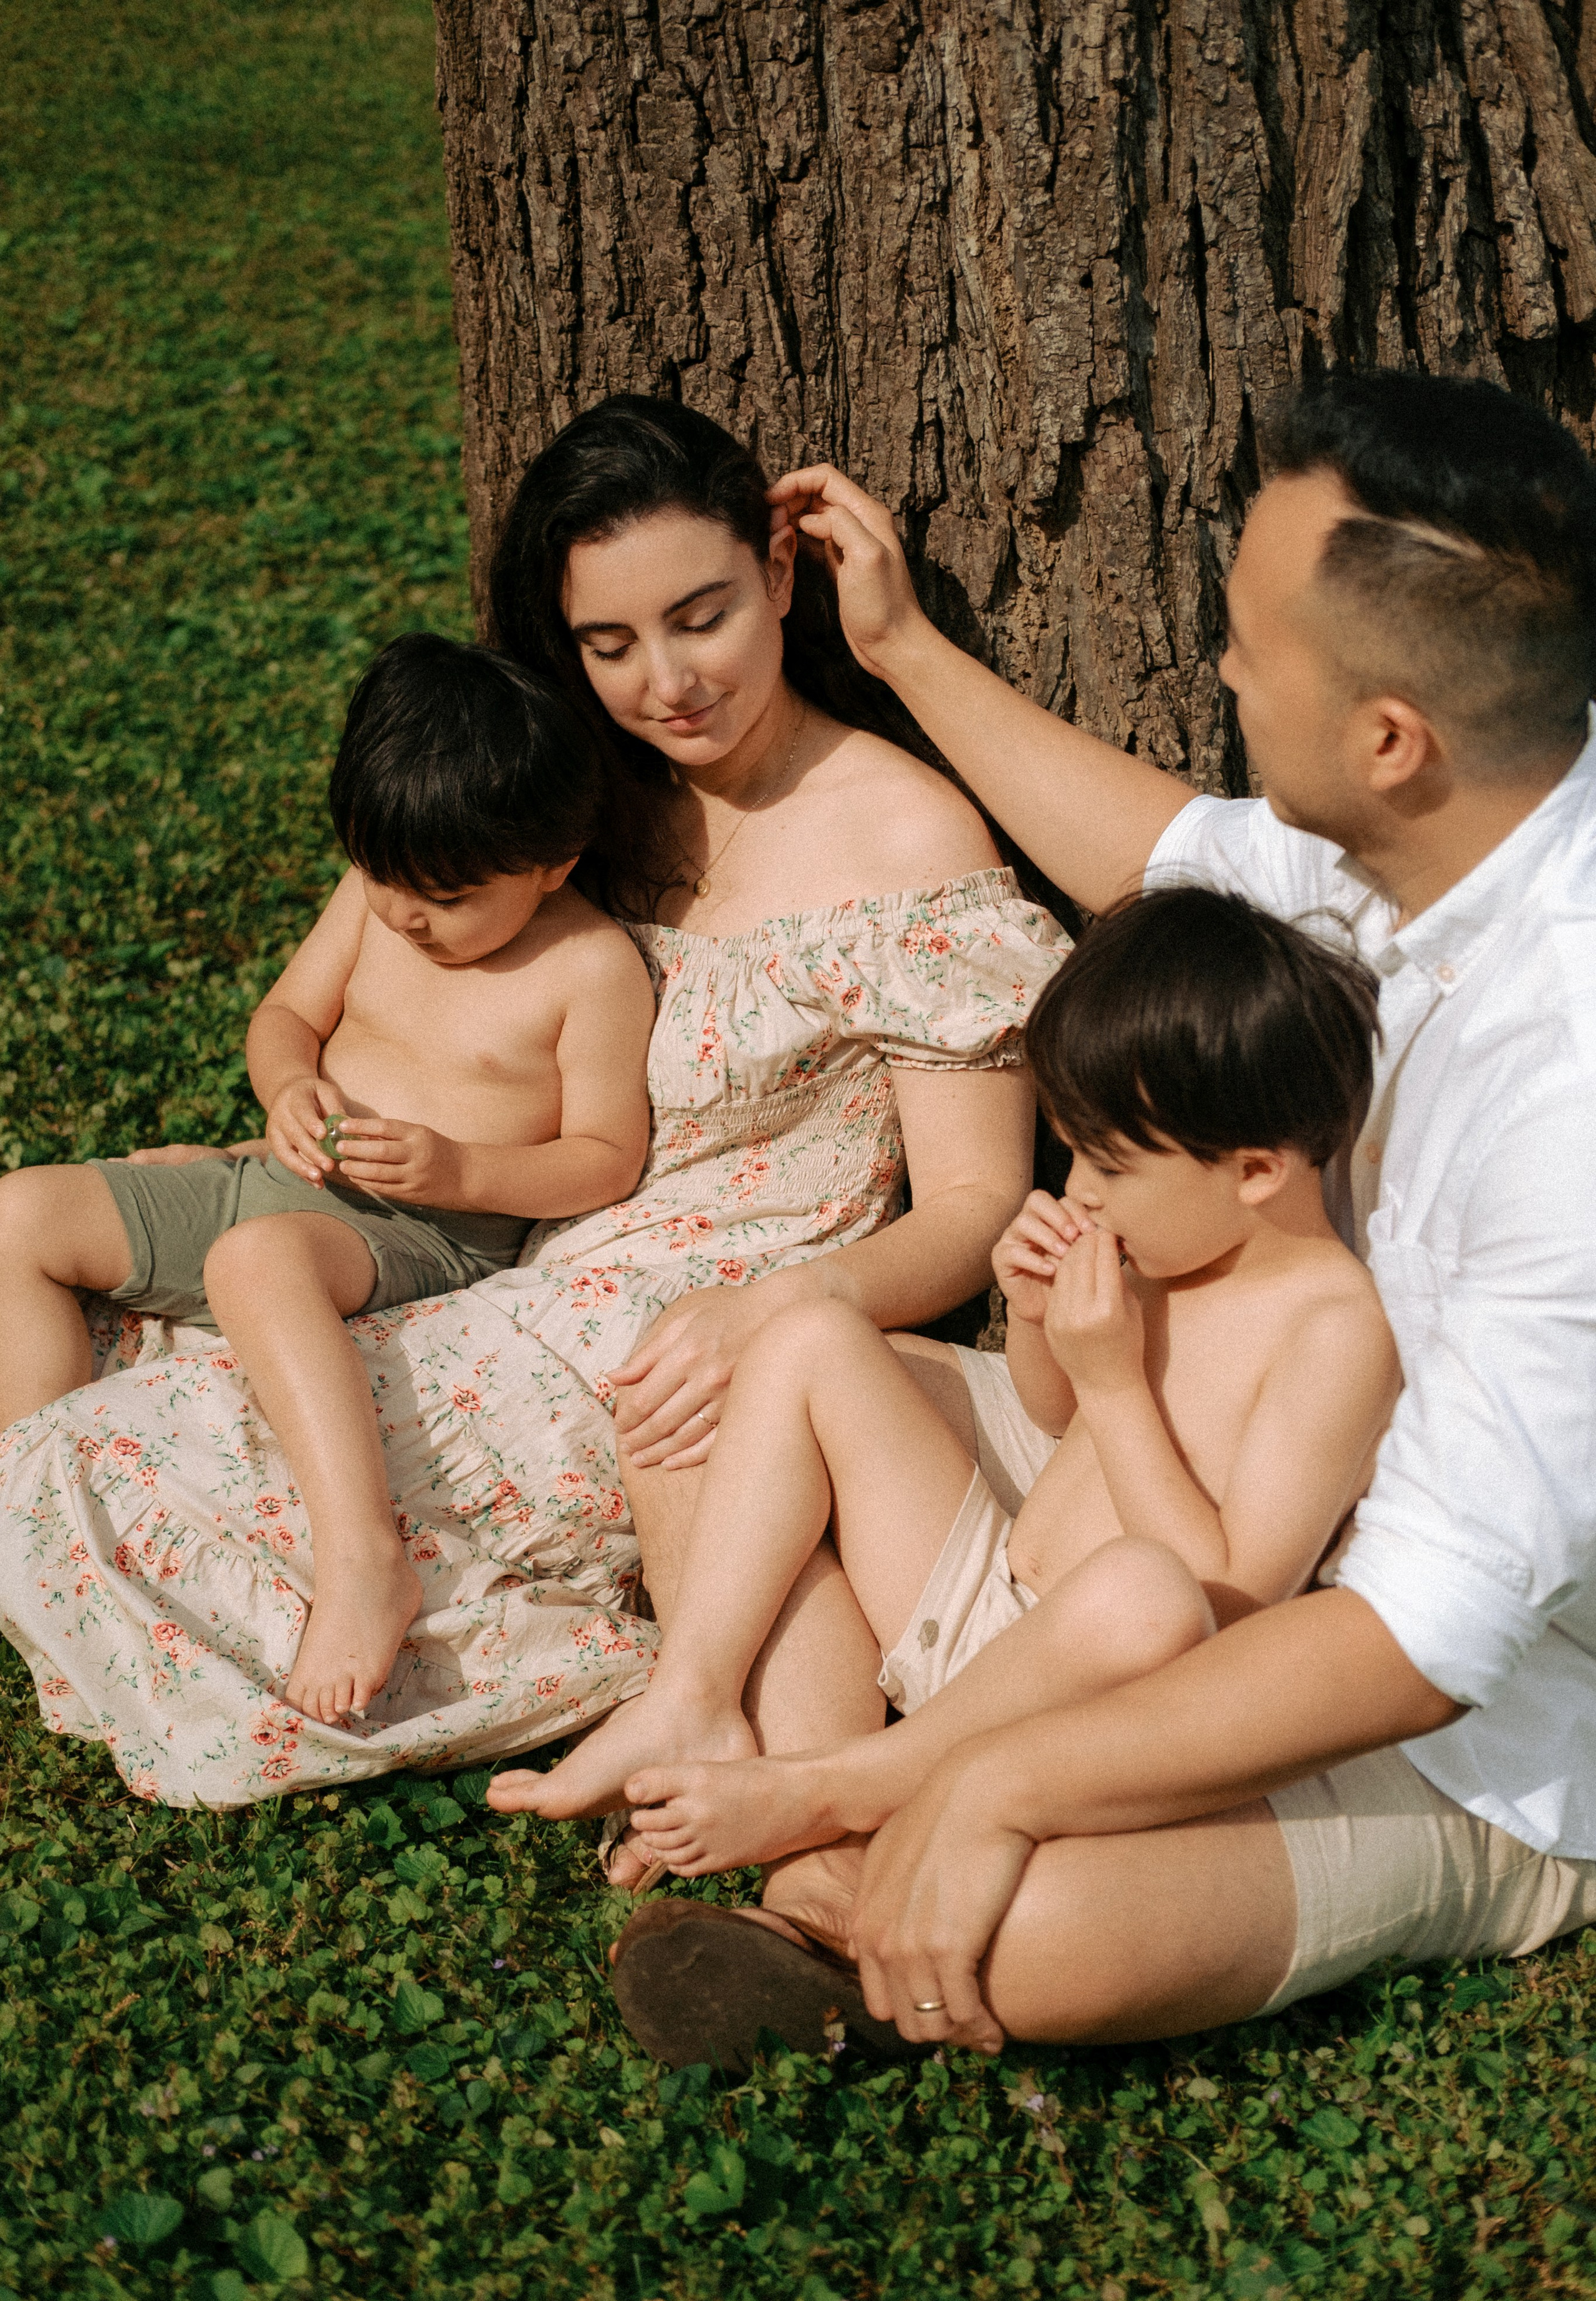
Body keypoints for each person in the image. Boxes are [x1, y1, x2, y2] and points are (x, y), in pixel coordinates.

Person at [605, 368, 1596, 2065]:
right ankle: (827, 1821)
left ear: (1389, 739)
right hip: (1174, 1505)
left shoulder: (1566, 1091)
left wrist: (1007, 1788)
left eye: (1249, 647)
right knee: (705, 1400)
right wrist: (901, 650)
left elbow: (1427, 1639)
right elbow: (1167, 862)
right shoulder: (1440, 820)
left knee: (1035, 1932)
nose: (1219, 673)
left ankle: (859, 1822)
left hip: (1455, 1715)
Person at [0, 395, 1065, 1805]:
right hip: (506, 1258)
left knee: (106, 1456)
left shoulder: (903, 836)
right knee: (90, 1359)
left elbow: (979, 1204)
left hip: (690, 1309)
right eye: (608, 644)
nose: (666, 684)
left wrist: (781, 1309)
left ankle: (737, 1774)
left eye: (702, 618)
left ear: (779, 576)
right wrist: (292, 1127)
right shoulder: (577, 795)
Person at [524, 887, 1398, 1835]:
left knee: (1140, 1593)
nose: (1081, 1192)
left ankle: (853, 1783)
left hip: (1061, 1676)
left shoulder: (1334, 1333)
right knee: (812, 1338)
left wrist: (1110, 1382)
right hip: (995, 1587)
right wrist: (1037, 1319)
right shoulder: (1184, 1242)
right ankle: (692, 1692)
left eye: (1110, 1166)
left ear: (1257, 1170)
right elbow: (1054, 1417)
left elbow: (1234, 1616)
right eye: (1074, 1156)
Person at [0, 633, 656, 1727]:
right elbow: (286, 1016)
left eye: (448, 896)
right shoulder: (377, 895)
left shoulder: (587, 968)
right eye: (387, 880)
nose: (406, 915)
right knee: (19, 1212)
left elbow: (606, 1157)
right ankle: (33, 1499)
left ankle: (365, 1562)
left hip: (425, 1232)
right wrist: (289, 1086)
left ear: (555, 862)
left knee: (255, 1263)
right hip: (280, 1175)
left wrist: (462, 1167)